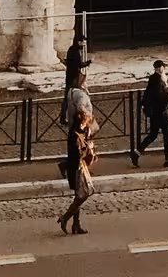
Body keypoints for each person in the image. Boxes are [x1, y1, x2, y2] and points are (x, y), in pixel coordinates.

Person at [58, 76, 96, 237]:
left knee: (78, 189)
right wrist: (89, 124)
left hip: (75, 148)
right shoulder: (80, 97)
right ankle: (66, 217)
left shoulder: (71, 93)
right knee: (86, 190)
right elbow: (82, 110)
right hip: (78, 151)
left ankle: (76, 224)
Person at [135, 60, 168, 167]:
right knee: (166, 133)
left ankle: (136, 153)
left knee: (153, 135)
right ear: (161, 68)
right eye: (163, 67)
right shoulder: (158, 79)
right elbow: (158, 95)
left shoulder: (153, 78)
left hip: (155, 112)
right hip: (160, 112)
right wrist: (167, 96)